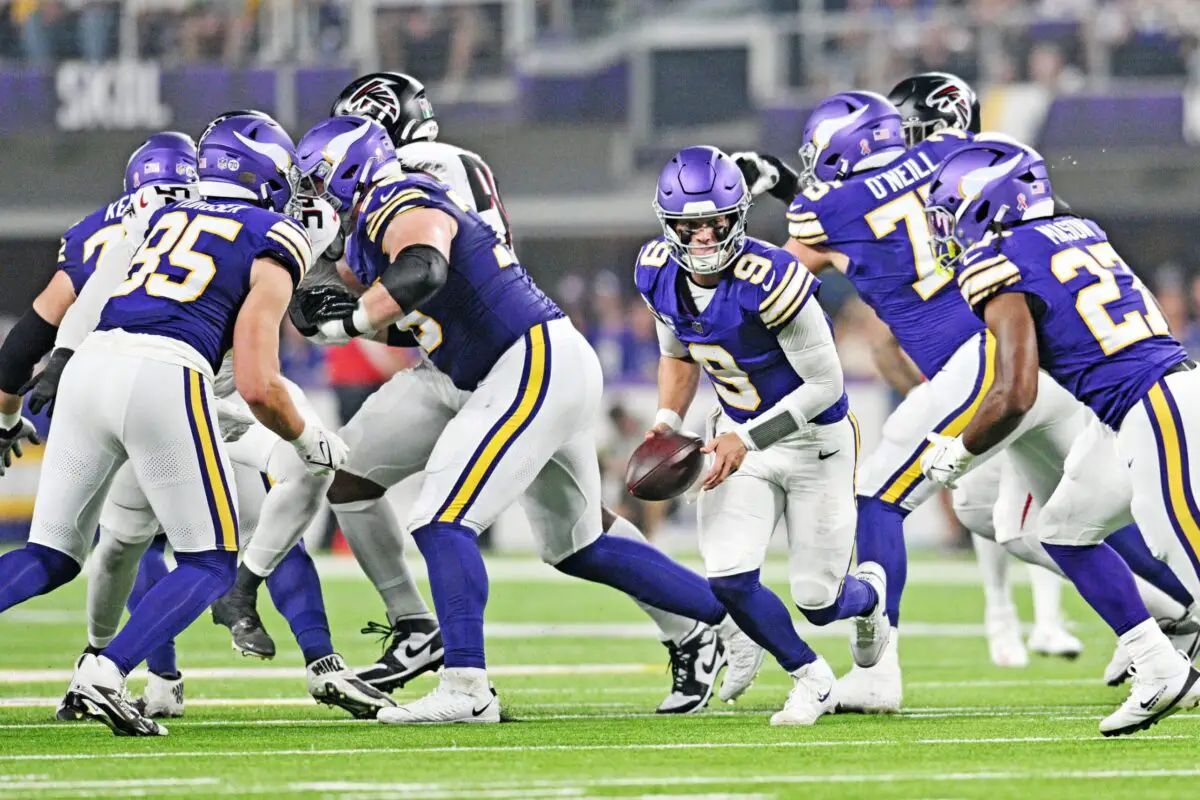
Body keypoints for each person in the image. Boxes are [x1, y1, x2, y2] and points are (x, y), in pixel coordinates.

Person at [280, 71, 745, 715]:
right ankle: (418, 626)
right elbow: (424, 311)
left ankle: (466, 686)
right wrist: (336, 310)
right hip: (468, 359)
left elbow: (428, 273)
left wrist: (352, 316)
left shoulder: (412, 178)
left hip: (512, 358)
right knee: (569, 540)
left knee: (445, 516)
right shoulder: (394, 197)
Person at [734, 82, 1198, 711]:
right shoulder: (951, 158)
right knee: (1026, 519)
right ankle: (1174, 615)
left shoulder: (824, 207)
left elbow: (783, 274)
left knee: (878, 497)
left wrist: (760, 193)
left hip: (983, 363)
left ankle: (877, 672)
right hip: (1037, 356)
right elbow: (901, 206)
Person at [0, 111, 345, 737]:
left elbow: (90, 297)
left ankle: (112, 667)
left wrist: (57, 366)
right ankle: (106, 673)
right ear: (266, 173)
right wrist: (308, 437)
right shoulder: (276, 234)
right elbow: (258, 383)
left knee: (49, 555)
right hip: (165, 374)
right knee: (210, 562)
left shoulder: (156, 215)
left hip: (87, 368)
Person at [922, 136, 1200, 736]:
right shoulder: (1079, 231)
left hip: (1158, 405)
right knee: (1064, 532)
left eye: (949, 212)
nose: (945, 229)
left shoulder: (996, 260)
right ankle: (1160, 668)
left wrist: (960, 450)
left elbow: (1015, 392)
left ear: (986, 203)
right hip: (1129, 409)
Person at [637, 145, 887, 726]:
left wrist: (747, 439)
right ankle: (811, 677)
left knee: (818, 600)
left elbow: (825, 386)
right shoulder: (656, 270)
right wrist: (666, 423)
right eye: (689, 225)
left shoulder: (774, 278)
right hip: (737, 435)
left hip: (815, 442)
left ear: (739, 216)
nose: (703, 236)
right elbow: (677, 354)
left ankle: (868, 596)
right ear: (668, 224)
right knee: (728, 577)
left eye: (715, 221)